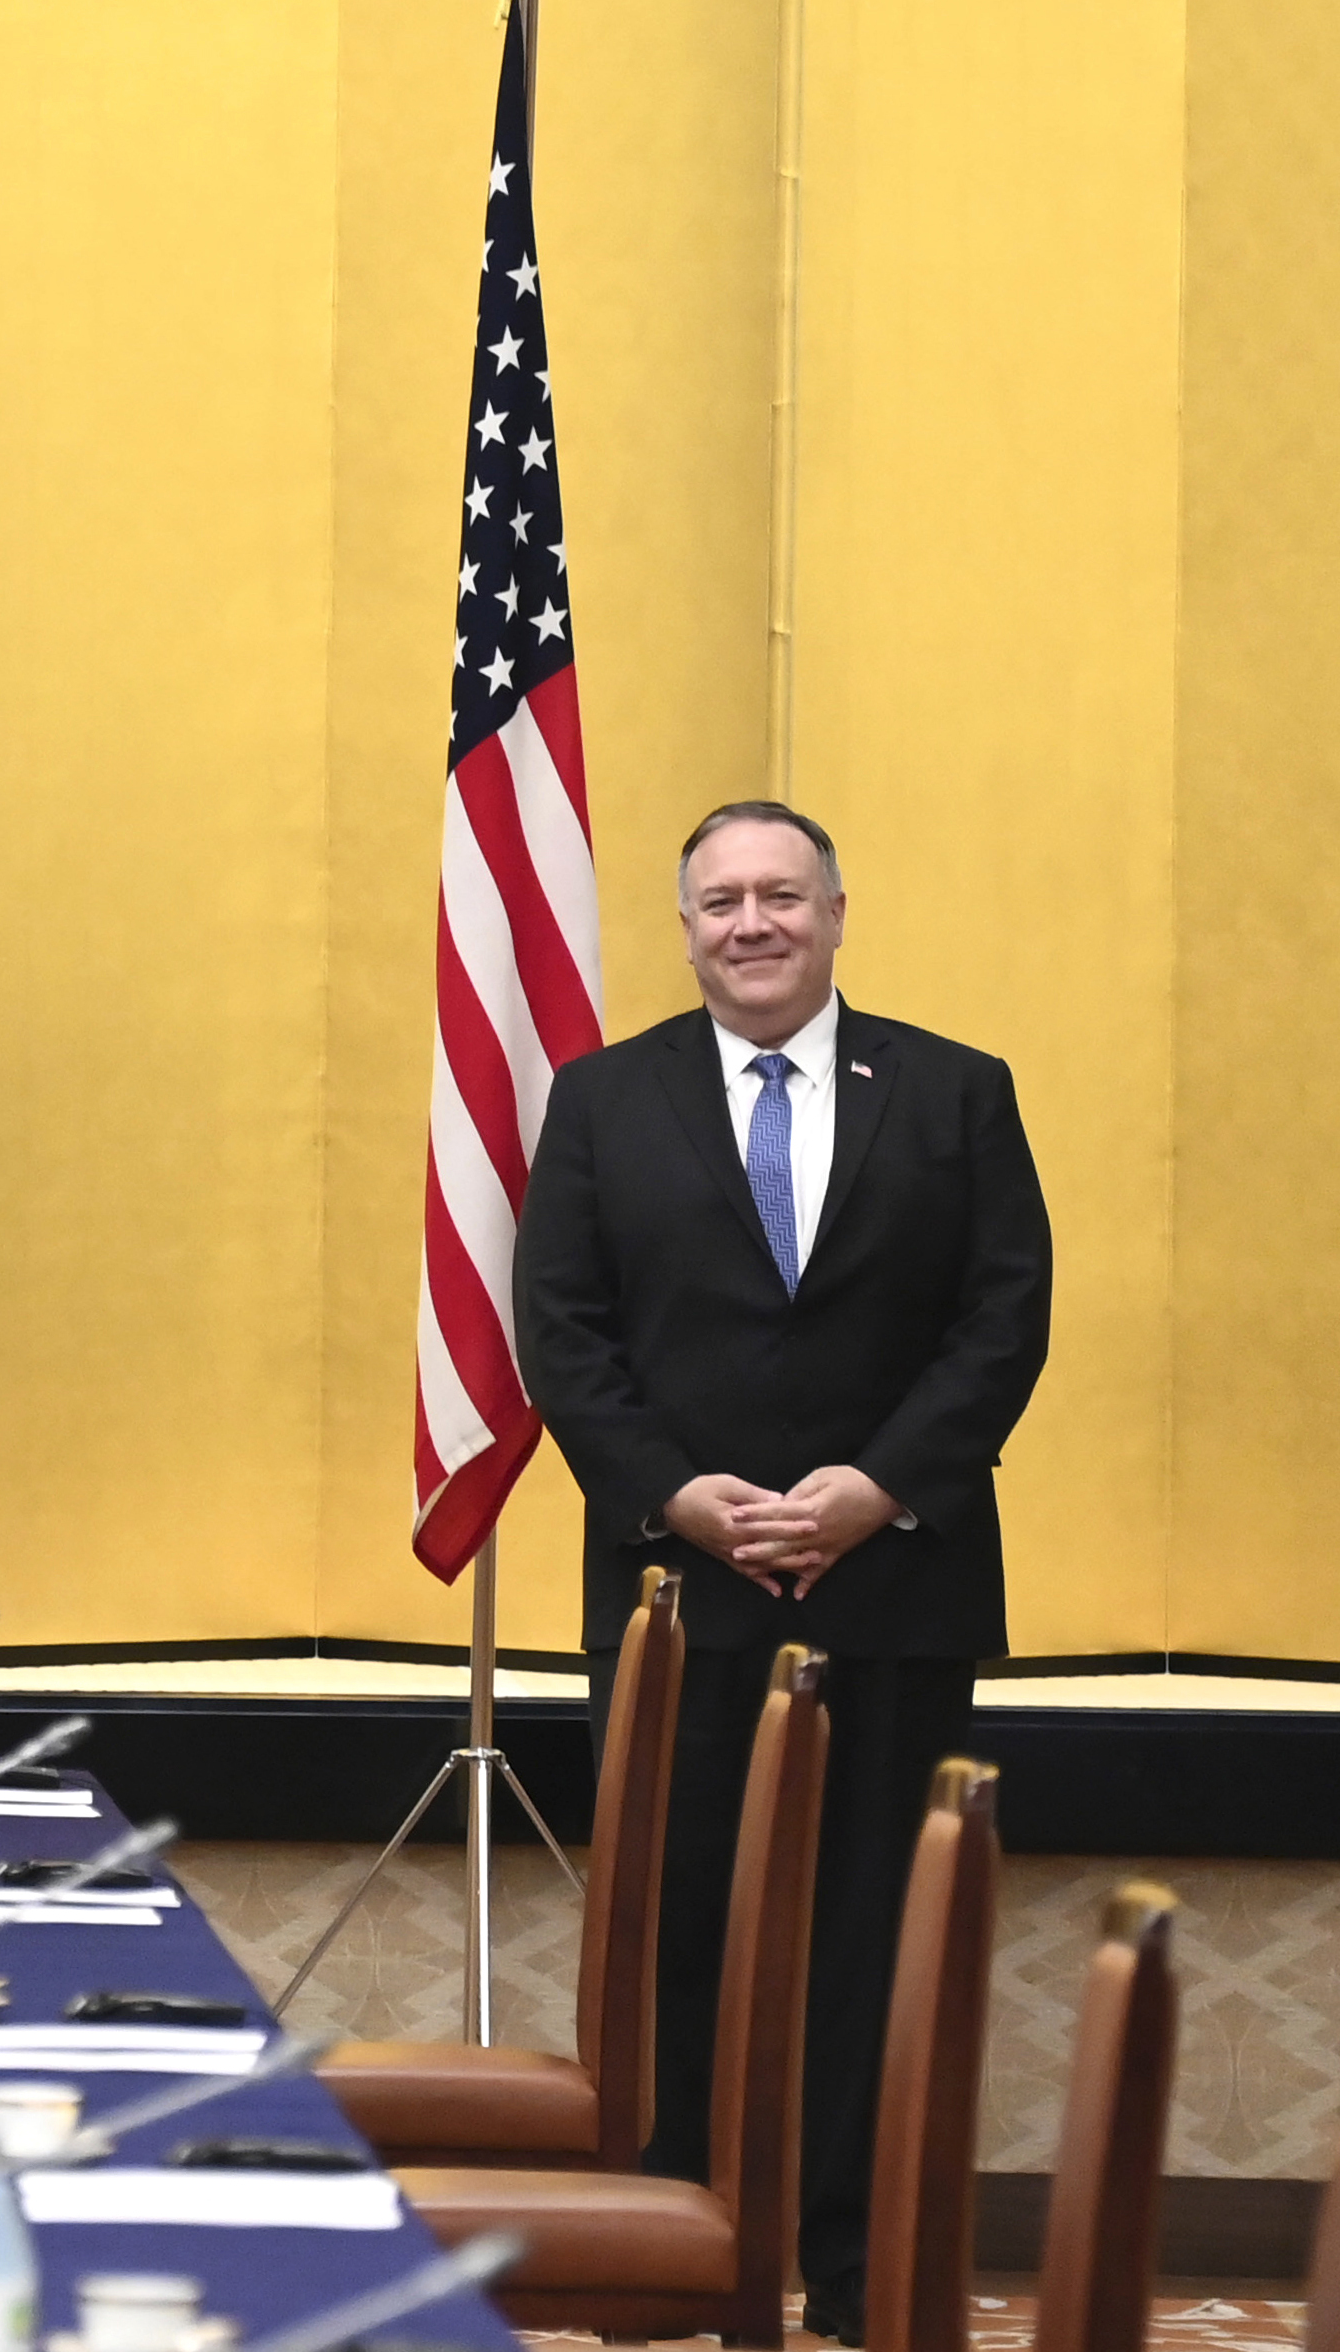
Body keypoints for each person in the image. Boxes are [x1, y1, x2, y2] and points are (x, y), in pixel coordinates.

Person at [518, 800, 1051, 2347]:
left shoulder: (952, 1092)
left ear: (833, 910)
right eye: (716, 902)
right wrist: (683, 1499)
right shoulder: (602, 1099)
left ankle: (859, 2266)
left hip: (889, 1591)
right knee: (672, 1932)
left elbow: (999, 1319)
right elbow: (562, 1332)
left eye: (778, 896)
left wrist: (868, 1492)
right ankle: (666, 2253)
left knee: (876, 1935)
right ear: (682, 926)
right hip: (673, 1599)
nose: (748, 924)